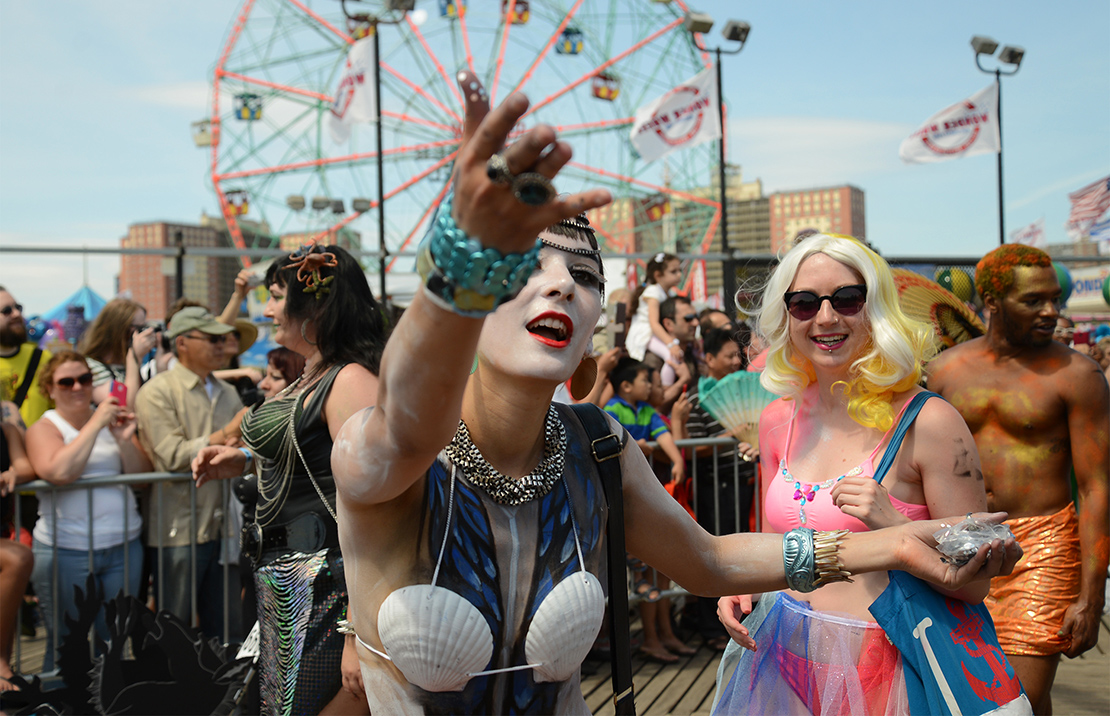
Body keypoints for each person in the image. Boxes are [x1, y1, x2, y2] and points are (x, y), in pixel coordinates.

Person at [326, 72, 1019, 715]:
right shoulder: (383, 454)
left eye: (584, 274)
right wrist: (460, 266)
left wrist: (892, 546)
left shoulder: (595, 449)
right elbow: (410, 419)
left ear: (602, 314)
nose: (561, 284)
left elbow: (710, 560)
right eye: (519, 265)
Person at [713, 232, 1005, 715]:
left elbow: (974, 585)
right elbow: (776, 548)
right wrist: (746, 584)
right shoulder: (775, 422)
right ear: (786, 317)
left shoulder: (929, 422)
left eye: (847, 299)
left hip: (891, 667)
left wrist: (894, 525)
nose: (826, 317)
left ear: (877, 309)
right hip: (783, 661)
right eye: (804, 303)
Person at [192, 246, 386, 716]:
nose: (267, 308)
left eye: (277, 296)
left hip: (324, 585)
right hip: (285, 579)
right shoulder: (314, 375)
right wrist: (243, 459)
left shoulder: (351, 380)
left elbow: (377, 507)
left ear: (315, 306)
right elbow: (315, 455)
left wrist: (357, 632)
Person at [928, 244, 1109, 715]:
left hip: (1043, 548)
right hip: (959, 545)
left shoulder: (1078, 375)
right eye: (1034, 301)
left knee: (1016, 701)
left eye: (1054, 298)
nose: (1052, 311)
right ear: (992, 301)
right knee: (980, 698)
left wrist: (1092, 595)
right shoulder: (944, 372)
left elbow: (1096, 487)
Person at [24, 351, 148, 672]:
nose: (78, 387)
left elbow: (142, 476)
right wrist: (95, 423)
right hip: (66, 550)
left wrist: (123, 440)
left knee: (114, 638)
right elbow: (59, 471)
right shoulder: (45, 427)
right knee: (67, 644)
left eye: (85, 379)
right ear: (49, 389)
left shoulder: (108, 422)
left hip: (122, 547)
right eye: (66, 382)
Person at [135, 307, 239, 640]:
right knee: (173, 633)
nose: (222, 345)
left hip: (224, 529)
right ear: (182, 343)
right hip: (178, 528)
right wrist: (226, 436)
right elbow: (171, 455)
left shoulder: (227, 391)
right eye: (213, 339)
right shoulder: (156, 391)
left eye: (224, 338)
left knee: (223, 630)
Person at [671, 327, 755, 651]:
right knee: (717, 556)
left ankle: (741, 615)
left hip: (743, 483)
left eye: (738, 355)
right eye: (729, 355)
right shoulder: (695, 397)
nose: (736, 361)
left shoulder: (744, 390)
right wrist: (732, 435)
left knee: (742, 553)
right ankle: (712, 626)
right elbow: (692, 448)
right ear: (708, 359)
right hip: (714, 485)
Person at [604, 357, 692, 663]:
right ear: (626, 385)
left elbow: (661, 434)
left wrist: (676, 458)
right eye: (645, 380)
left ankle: (666, 634)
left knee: (662, 573)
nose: (650, 386)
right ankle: (652, 638)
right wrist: (637, 445)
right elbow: (616, 440)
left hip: (647, 502)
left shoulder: (647, 411)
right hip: (630, 506)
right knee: (644, 574)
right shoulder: (613, 409)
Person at [1, 422, 34, 691]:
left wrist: (11, 473)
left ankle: (2, 670)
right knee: (17, 558)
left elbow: (25, 468)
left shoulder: (6, 430)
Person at [77, 298, 158, 410]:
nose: (143, 334)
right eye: (139, 328)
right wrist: (133, 358)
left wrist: (161, 359)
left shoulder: (125, 365)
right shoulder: (91, 367)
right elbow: (125, 409)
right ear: (119, 330)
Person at [0, 286, 52, 429]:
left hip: (39, 448)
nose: (17, 314)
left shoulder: (43, 358)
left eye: (18, 307)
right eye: (6, 311)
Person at [626, 252, 682, 362]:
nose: (679, 274)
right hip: (646, 335)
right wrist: (671, 344)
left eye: (680, 271)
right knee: (672, 357)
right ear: (658, 275)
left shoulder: (667, 293)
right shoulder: (653, 292)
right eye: (673, 271)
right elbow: (654, 323)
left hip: (655, 334)